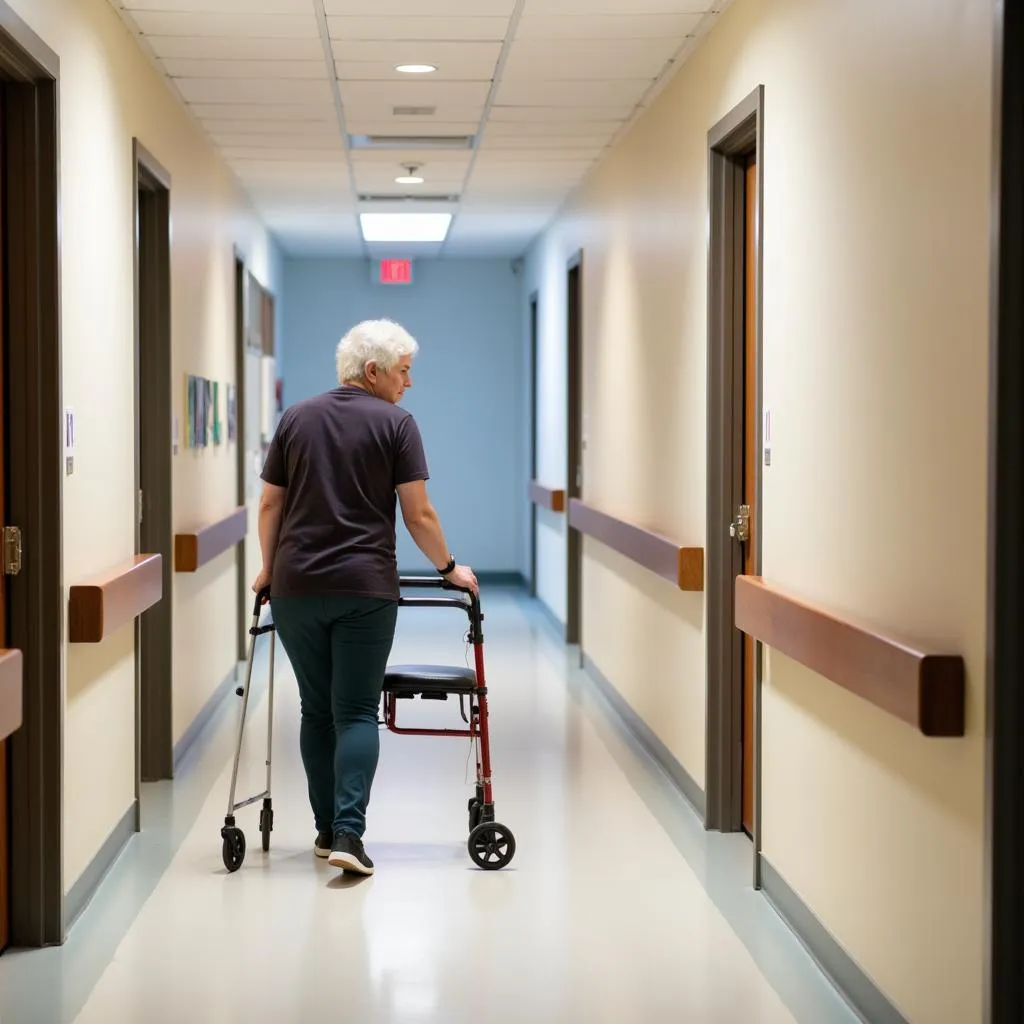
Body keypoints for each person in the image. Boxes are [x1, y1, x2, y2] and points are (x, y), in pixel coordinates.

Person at [253, 318, 478, 876]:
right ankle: (350, 834)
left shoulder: (296, 418)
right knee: (355, 711)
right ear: (373, 371)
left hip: (297, 587)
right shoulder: (397, 425)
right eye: (404, 372)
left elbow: (268, 507)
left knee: (315, 710)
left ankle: (326, 830)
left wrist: (267, 569)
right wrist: (448, 568)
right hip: (364, 588)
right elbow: (418, 513)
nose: (409, 384)